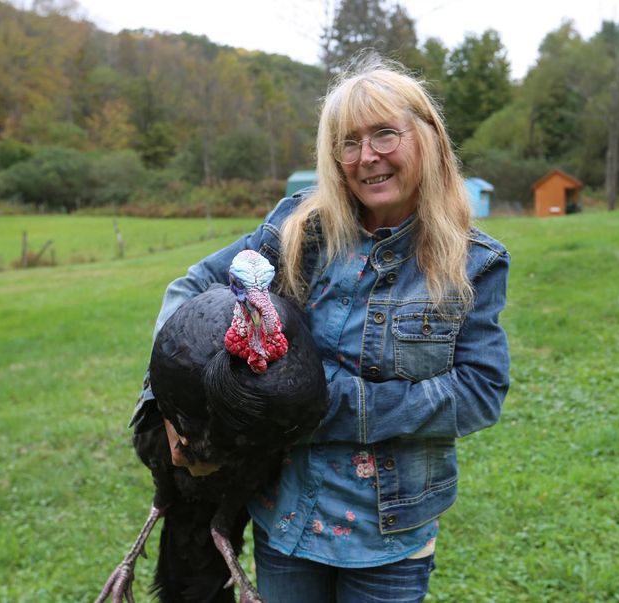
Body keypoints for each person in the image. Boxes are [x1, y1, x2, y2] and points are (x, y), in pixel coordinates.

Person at [140, 54, 510, 603]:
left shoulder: (473, 262)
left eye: (385, 134)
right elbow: (191, 290)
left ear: (429, 136)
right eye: (348, 142)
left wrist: (316, 402)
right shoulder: (297, 230)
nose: (367, 157)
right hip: (287, 516)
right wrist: (171, 405)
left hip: (390, 533)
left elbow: (480, 391)